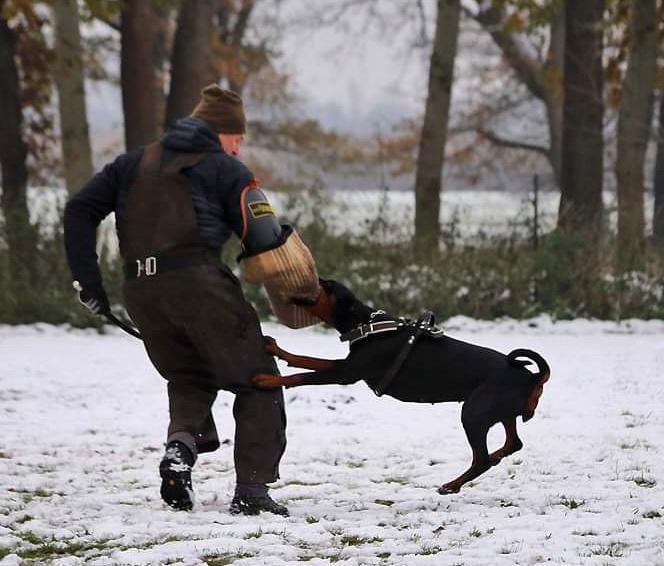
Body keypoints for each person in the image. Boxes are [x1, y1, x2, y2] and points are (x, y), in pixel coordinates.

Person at [64, 85, 311, 516]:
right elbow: (264, 238)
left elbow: (79, 209)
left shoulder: (132, 163)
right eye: (237, 137)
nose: (239, 147)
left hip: (140, 288)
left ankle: (179, 449)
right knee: (259, 379)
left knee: (189, 374)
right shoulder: (226, 170)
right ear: (221, 132)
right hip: (198, 284)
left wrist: (89, 282)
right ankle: (252, 491)